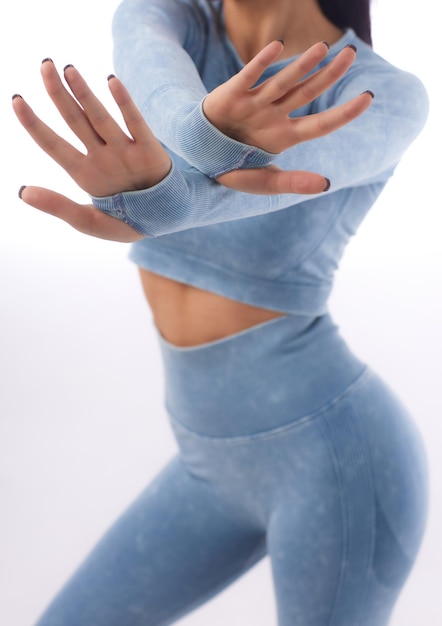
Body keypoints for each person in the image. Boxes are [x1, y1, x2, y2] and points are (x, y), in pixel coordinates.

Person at [12, 0, 429, 624]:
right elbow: (166, 99)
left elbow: (293, 173)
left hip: (336, 459)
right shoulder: (163, 16)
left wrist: (176, 199)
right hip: (207, 463)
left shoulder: (385, 96)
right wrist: (201, 134)